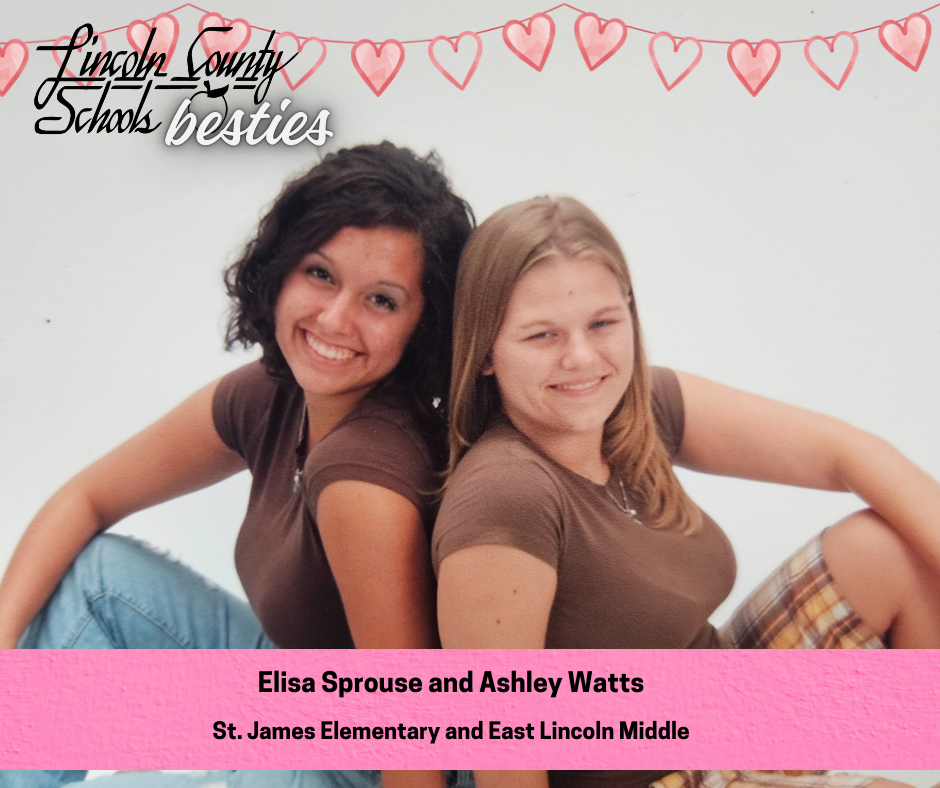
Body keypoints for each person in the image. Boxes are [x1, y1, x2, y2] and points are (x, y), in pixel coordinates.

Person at [0, 142, 474, 788]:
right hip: (295, 704)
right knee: (100, 575)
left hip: (363, 765)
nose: (335, 319)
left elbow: (415, 740)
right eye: (320, 273)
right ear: (280, 268)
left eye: (382, 300)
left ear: (423, 323)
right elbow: (86, 499)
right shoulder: (272, 395)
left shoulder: (364, 481)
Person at [432, 197, 940, 788]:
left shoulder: (638, 408)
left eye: (602, 323)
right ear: (486, 351)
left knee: (887, 548)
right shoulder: (506, 497)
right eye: (541, 335)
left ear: (631, 313)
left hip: (725, 710)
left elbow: (851, 454)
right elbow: (505, 760)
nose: (581, 358)